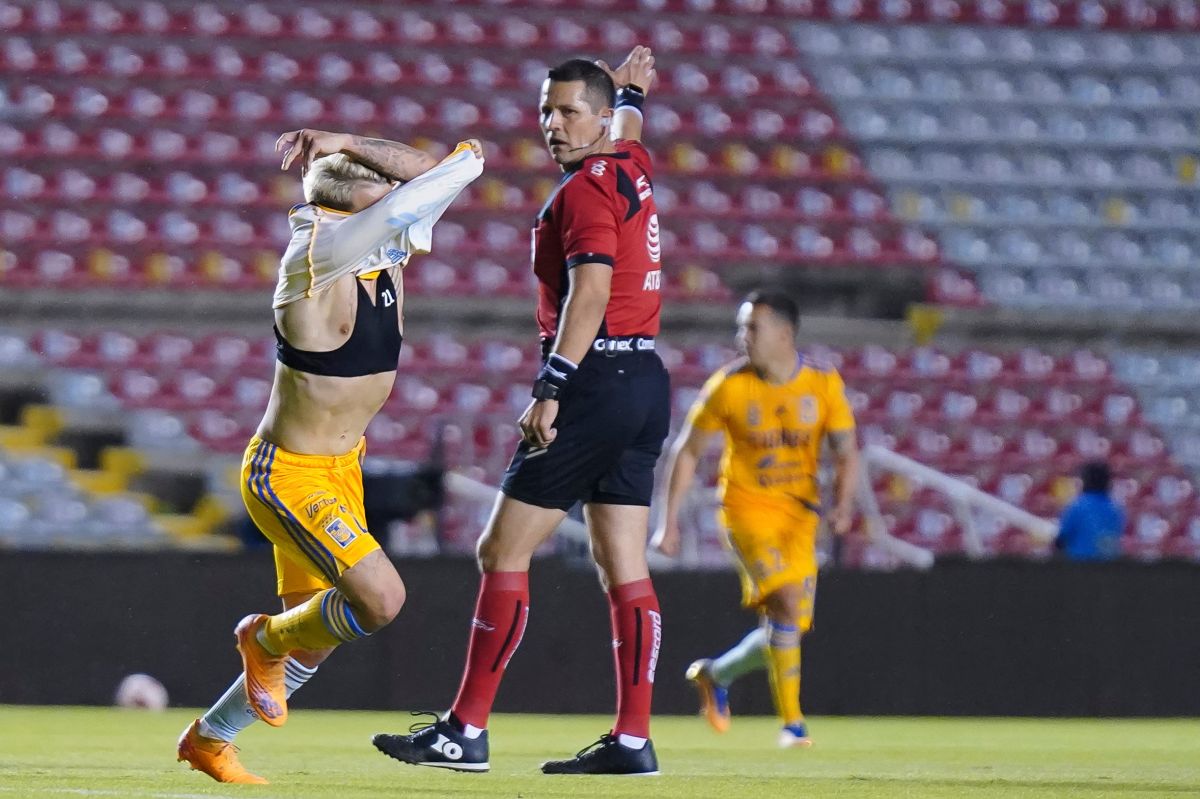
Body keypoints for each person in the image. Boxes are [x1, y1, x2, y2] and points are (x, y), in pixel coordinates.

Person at [372, 46, 668, 776]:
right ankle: (634, 739)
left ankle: (465, 729)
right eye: (546, 110)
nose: (555, 124)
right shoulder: (628, 162)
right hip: (646, 381)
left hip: (594, 383)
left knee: (500, 550)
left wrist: (551, 386)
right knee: (621, 561)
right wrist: (630, 91)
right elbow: (628, 125)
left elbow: (589, 293)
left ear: (596, 118)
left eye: (570, 111)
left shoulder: (583, 194)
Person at [176, 131, 484, 784]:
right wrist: (364, 171)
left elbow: (438, 172)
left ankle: (209, 738)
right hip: (288, 472)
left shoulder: (376, 246)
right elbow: (456, 171)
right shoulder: (316, 255)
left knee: (315, 635)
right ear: (351, 211)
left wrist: (344, 142)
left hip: (343, 467)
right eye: (383, 201)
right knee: (380, 600)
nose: (402, 206)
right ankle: (258, 640)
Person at [651, 291, 860, 748]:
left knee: (787, 629)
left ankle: (717, 673)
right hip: (746, 511)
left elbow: (846, 452)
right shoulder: (728, 385)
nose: (742, 337)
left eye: (752, 328)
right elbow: (687, 451)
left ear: (784, 335)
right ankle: (793, 725)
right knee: (785, 603)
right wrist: (669, 522)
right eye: (741, 328)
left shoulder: (823, 386)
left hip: (800, 517)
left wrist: (843, 504)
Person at [1055, 461, 1125, 561]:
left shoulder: (1076, 506)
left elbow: (1062, 539)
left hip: (1080, 564)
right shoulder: (1116, 508)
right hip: (1109, 565)